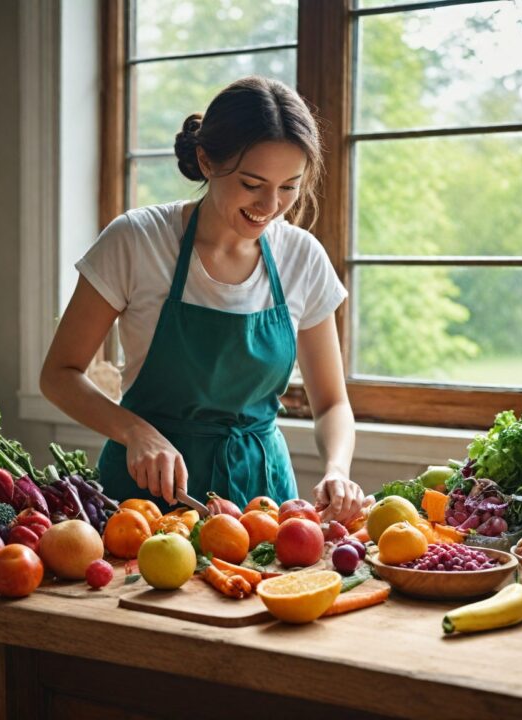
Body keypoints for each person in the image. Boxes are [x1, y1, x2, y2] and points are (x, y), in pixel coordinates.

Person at [40, 76, 363, 523]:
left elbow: (331, 403)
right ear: (206, 161)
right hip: (144, 501)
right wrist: (135, 432)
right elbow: (59, 374)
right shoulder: (138, 240)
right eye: (252, 184)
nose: (271, 205)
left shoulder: (301, 257)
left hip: (263, 504)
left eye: (289, 186)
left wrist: (337, 470)